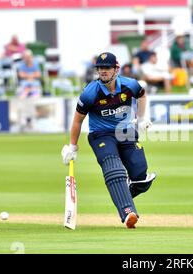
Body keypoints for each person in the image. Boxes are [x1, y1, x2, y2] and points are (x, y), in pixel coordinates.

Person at [61, 52, 156, 229]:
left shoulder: (130, 85)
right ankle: (128, 212)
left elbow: (142, 95)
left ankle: (120, 191)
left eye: (107, 68)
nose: (103, 71)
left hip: (125, 131)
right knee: (114, 168)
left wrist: (141, 119)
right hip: (101, 134)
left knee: (140, 176)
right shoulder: (90, 92)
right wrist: (72, 147)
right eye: (100, 68)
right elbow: (77, 120)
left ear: (116, 69)